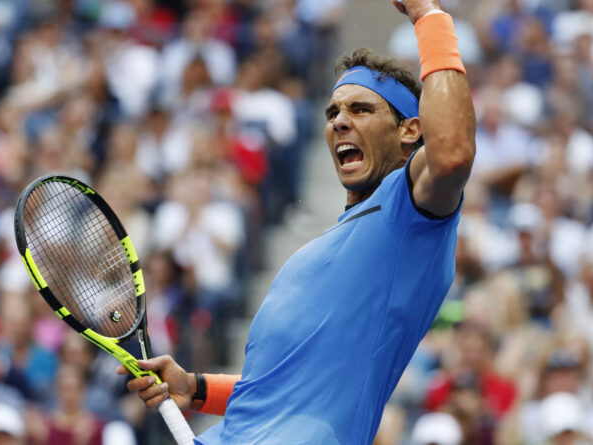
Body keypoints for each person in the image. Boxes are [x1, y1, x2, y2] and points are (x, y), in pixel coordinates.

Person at [119, 0, 475, 442]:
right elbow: (276, 393)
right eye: (333, 114)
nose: (340, 121)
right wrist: (196, 388)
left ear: (409, 131)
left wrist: (428, 15)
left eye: (361, 110)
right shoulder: (327, 248)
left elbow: (453, 152)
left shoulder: (409, 215)